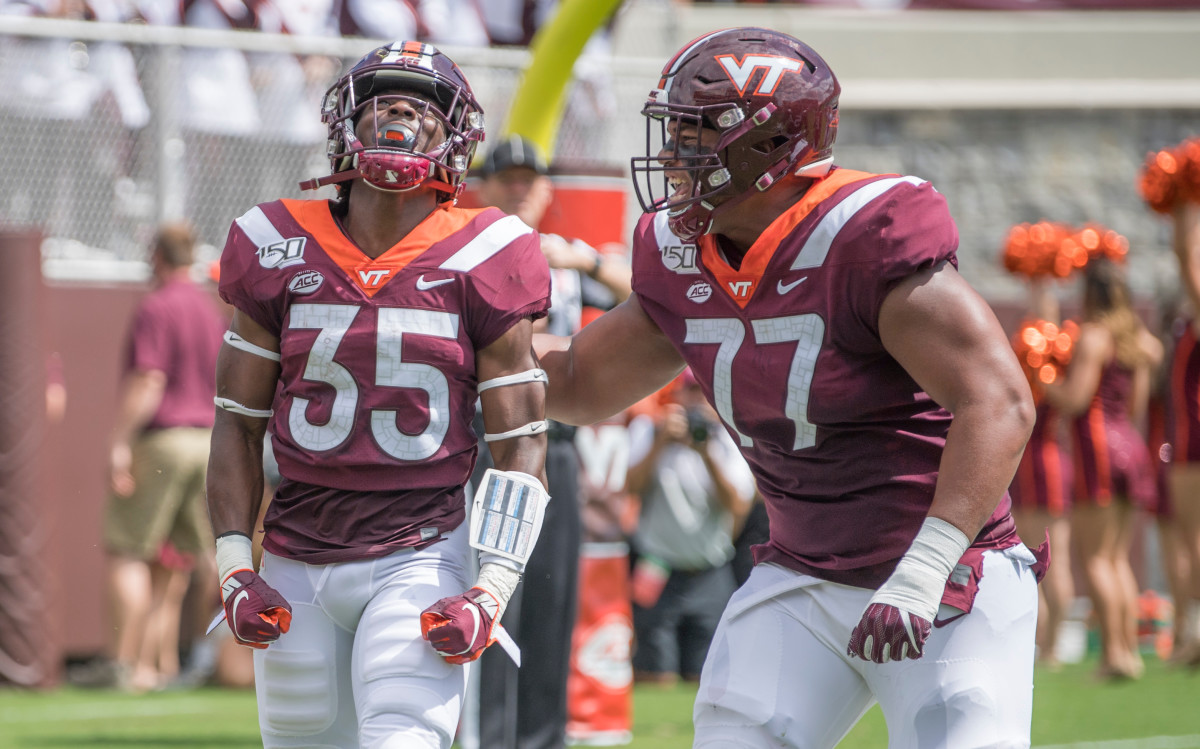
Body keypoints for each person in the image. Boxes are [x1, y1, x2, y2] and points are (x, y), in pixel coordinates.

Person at [535, 27, 1047, 747]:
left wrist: (926, 566)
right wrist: (455, 345)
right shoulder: (681, 253)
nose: (674, 155)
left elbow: (998, 399)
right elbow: (580, 381)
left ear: (771, 147)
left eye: (696, 133)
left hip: (944, 574)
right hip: (803, 576)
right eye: (674, 131)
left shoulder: (865, 232)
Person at [205, 42, 551, 749]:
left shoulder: (487, 250)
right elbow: (236, 423)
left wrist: (492, 588)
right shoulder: (276, 242)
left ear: (456, 135)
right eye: (382, 96)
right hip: (296, 554)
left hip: (419, 548)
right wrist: (235, 568)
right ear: (345, 122)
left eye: (424, 101)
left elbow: (522, 440)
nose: (398, 108)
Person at [468, 133, 631, 749]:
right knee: (488, 593)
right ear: (483, 185)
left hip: (556, 444)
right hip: (489, 444)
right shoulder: (469, 250)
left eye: (528, 179)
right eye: (506, 177)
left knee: (551, 598)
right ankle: (486, 736)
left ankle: (543, 738)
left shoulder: (563, 260)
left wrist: (582, 260)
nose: (518, 188)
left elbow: (644, 297)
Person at [103, 222, 226, 692]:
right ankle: (169, 664)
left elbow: (148, 381)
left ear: (156, 256)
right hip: (206, 440)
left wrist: (117, 442)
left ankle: (121, 663)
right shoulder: (207, 308)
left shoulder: (157, 307)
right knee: (186, 559)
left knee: (126, 550)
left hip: (166, 440)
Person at [1041, 257, 1162, 680]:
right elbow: (1137, 407)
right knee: (1118, 559)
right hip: (1131, 444)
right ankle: (1128, 649)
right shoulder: (1139, 339)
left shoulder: (1093, 336)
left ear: (1090, 294)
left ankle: (1113, 655)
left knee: (1095, 559)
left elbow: (1076, 399)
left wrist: (1042, 383)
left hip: (1098, 451)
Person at [625, 368, 754, 685]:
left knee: (708, 676)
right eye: (694, 390)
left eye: (706, 391)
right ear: (679, 394)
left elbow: (738, 505)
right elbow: (630, 489)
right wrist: (659, 444)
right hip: (658, 568)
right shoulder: (651, 430)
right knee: (654, 675)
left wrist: (706, 452)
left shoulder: (728, 439)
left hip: (709, 570)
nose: (700, 400)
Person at [1008, 278, 1075, 669]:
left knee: (1047, 558)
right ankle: (1047, 642)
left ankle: (1051, 644)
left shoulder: (1044, 349)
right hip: (1040, 457)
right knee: (1042, 558)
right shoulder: (1047, 348)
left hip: (1040, 459)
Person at [1166, 201, 1200, 664]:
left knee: (1192, 536)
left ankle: (1194, 635)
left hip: (1194, 435)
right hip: (1186, 432)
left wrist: (1184, 207)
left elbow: (1186, 263)